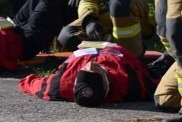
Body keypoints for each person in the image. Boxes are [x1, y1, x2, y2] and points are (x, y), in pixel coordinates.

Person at [19, 44, 158, 106]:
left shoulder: (61, 86)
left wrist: (27, 80)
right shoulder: (130, 84)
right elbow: (157, 86)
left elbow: (32, 84)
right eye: (96, 70)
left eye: (85, 71)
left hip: (83, 43)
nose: (90, 65)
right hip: (119, 49)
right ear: (106, 82)